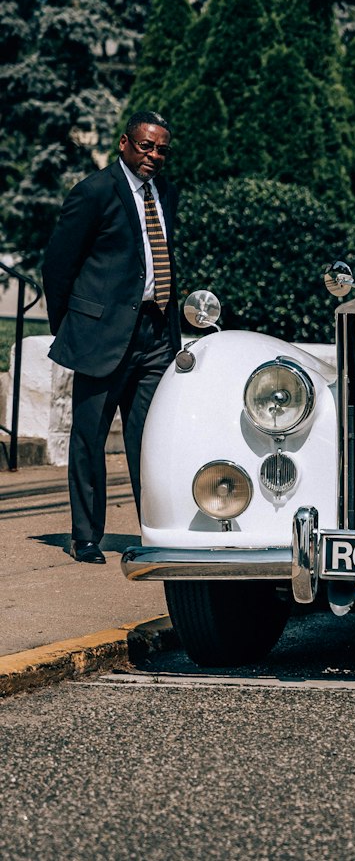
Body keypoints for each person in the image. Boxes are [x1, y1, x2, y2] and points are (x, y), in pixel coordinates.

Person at [43, 110, 180, 564]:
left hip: (155, 335)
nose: (154, 155)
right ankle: (86, 537)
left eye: (161, 148)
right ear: (124, 143)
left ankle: (157, 534)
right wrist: (70, 325)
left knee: (152, 441)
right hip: (101, 337)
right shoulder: (94, 191)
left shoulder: (166, 193)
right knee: (89, 439)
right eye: (146, 145)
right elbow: (58, 265)